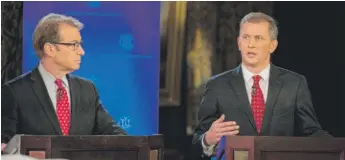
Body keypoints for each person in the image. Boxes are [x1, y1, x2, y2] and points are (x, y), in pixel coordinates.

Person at [192, 12, 330, 159]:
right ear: (239, 43)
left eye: (258, 38)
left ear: (273, 45)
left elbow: (312, 133)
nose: (250, 44)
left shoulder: (294, 84)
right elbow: (196, 141)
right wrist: (208, 139)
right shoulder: (217, 85)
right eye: (246, 37)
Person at [1, 13, 127, 148]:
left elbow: (114, 133)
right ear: (50, 49)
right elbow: (4, 144)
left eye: (80, 44)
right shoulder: (14, 92)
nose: (81, 51)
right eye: (74, 45)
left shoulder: (87, 89)